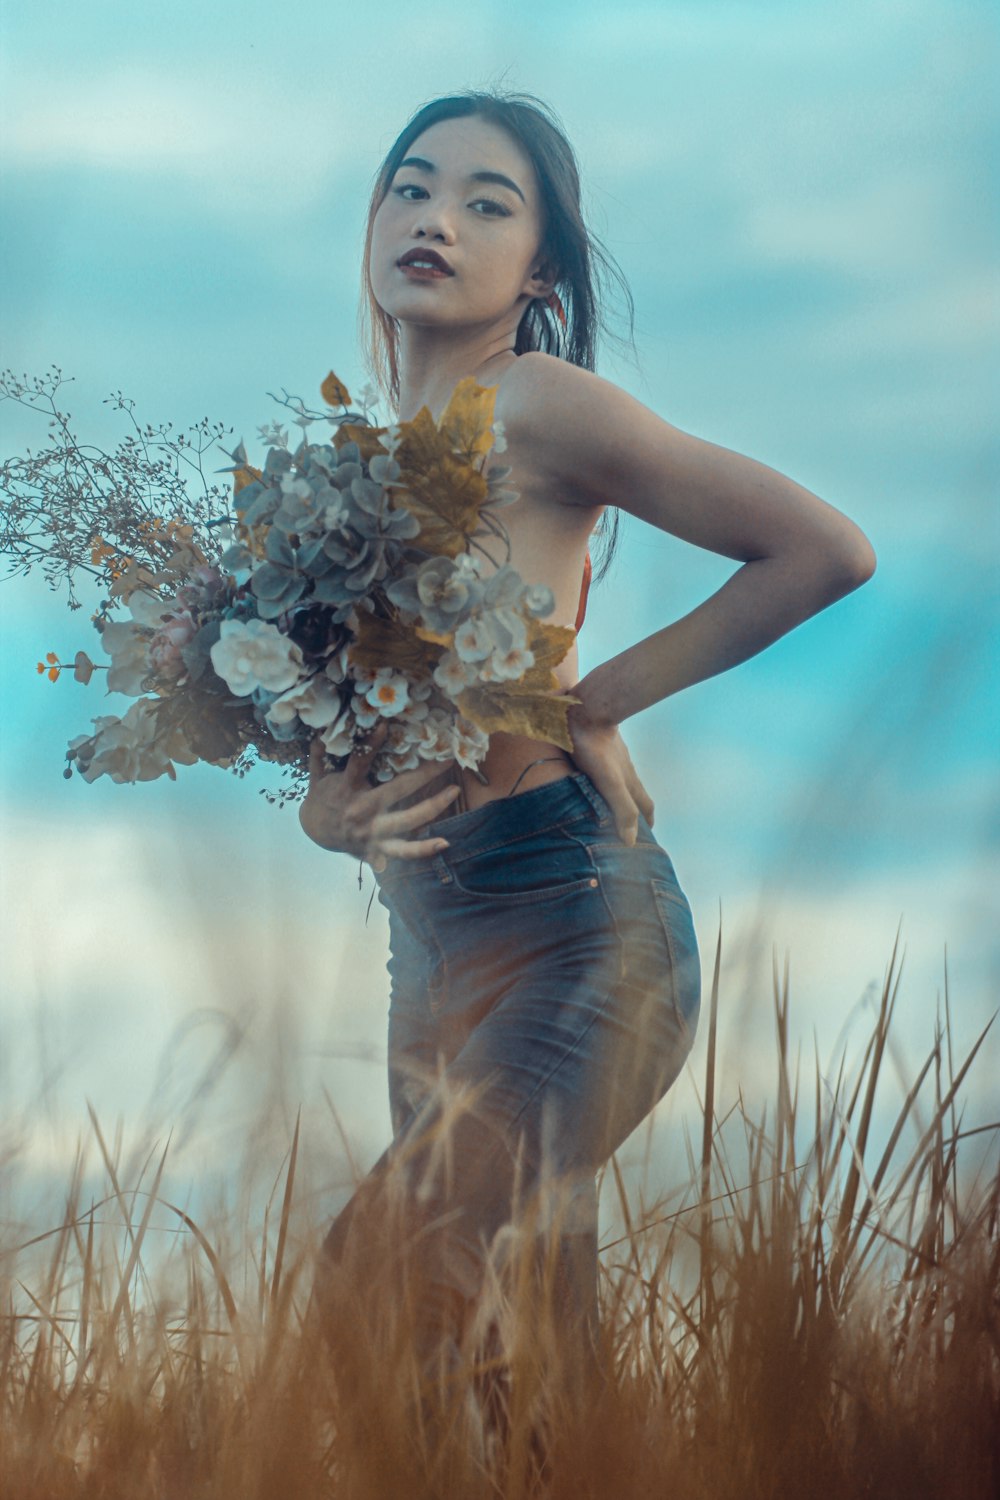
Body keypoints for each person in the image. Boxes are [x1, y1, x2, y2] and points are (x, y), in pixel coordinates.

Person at [301, 89, 876, 1451]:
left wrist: (600, 698)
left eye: (487, 203)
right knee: (523, 1365)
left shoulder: (537, 403)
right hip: (436, 944)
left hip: (577, 922)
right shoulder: (364, 466)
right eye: (411, 186)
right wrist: (333, 806)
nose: (435, 217)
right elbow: (352, 736)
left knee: (377, 1285)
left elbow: (824, 548)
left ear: (539, 271)